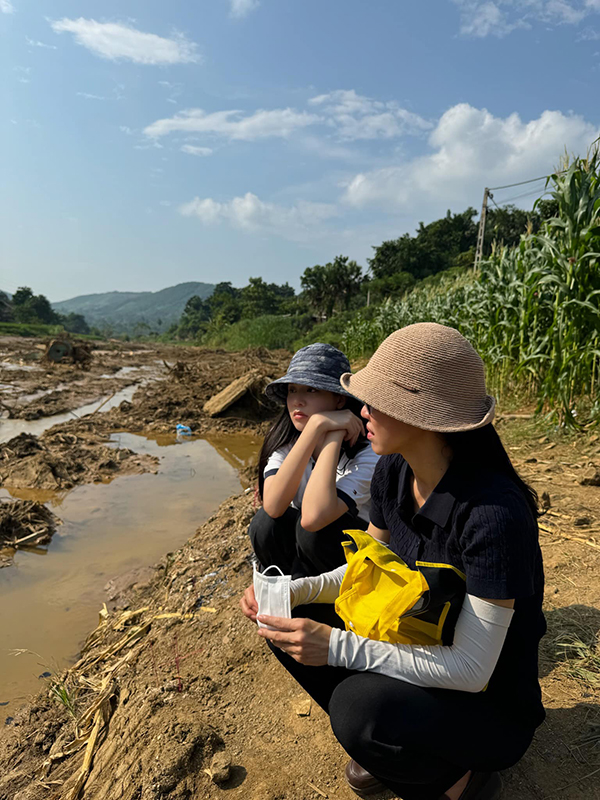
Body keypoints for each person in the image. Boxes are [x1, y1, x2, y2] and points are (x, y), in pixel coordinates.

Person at [241, 323, 546, 800]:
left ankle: (461, 778)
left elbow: (472, 668)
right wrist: (294, 591)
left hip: (487, 701)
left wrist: (337, 647)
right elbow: (368, 568)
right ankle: (401, 747)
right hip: (423, 634)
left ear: (423, 417)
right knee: (285, 620)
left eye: (374, 400)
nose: (361, 411)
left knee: (358, 710)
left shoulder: (493, 515)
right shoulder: (395, 472)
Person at [249, 342, 379, 579]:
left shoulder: (368, 453)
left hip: (353, 563)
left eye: (311, 390)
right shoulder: (287, 447)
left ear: (340, 400)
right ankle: (286, 592)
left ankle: (322, 605)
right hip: (305, 555)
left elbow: (314, 517)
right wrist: (317, 427)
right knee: (265, 524)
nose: (297, 400)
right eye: (292, 390)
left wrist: (334, 435)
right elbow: (274, 506)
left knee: (314, 531)